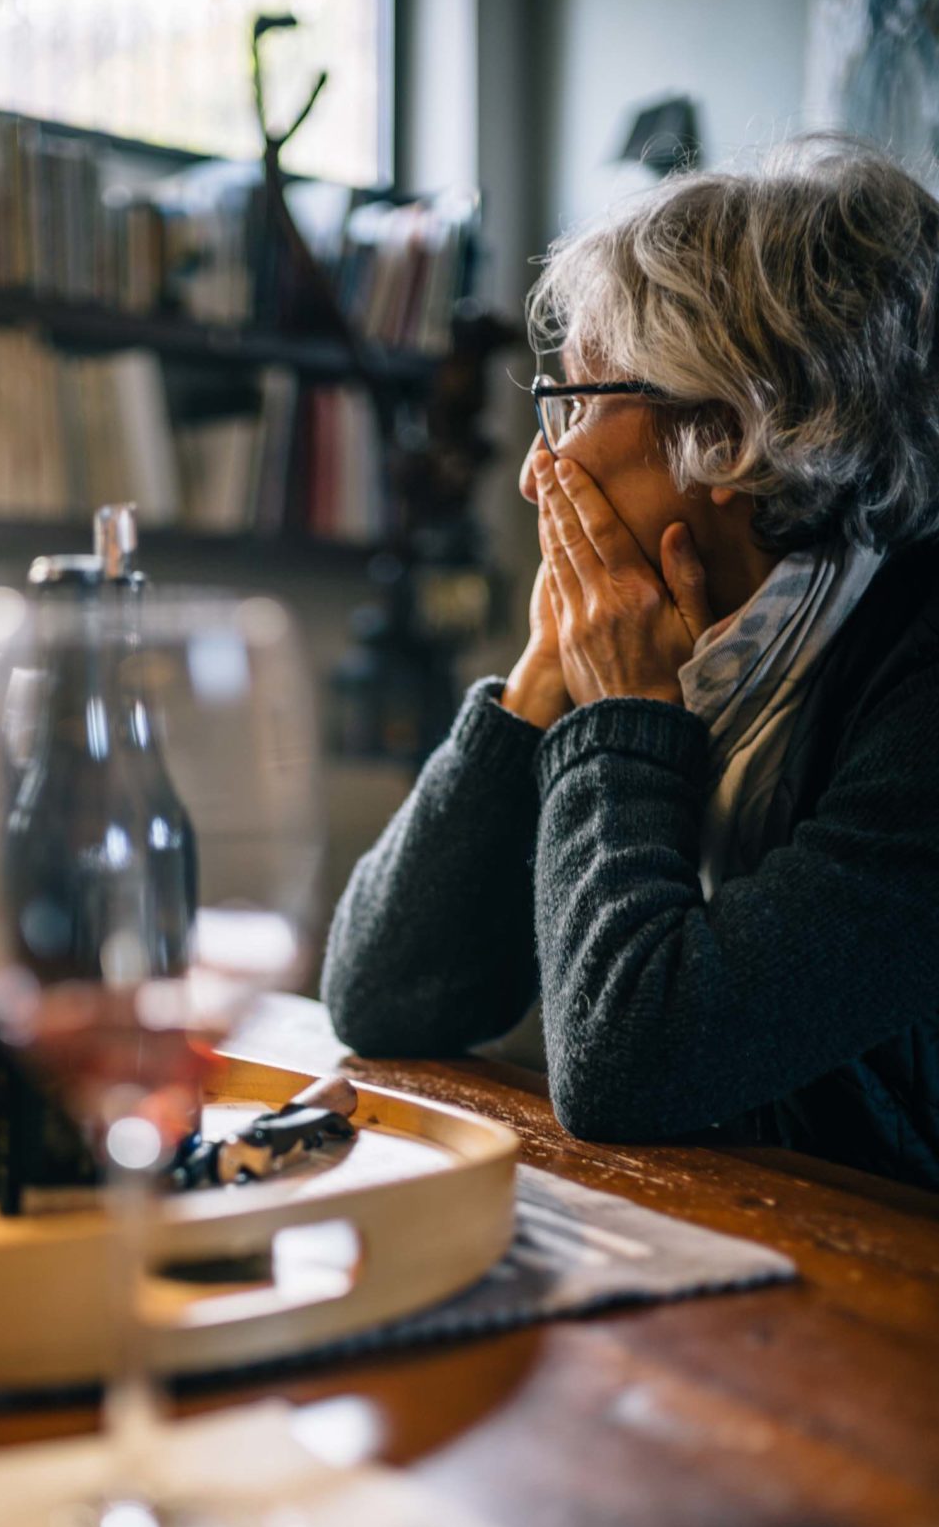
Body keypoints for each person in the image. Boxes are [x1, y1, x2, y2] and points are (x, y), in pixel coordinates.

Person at [321, 138, 939, 1189]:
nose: (532, 472)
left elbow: (632, 1064)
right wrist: (539, 682)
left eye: (571, 403)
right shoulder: (707, 649)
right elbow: (383, 993)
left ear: (733, 428)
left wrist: (619, 720)